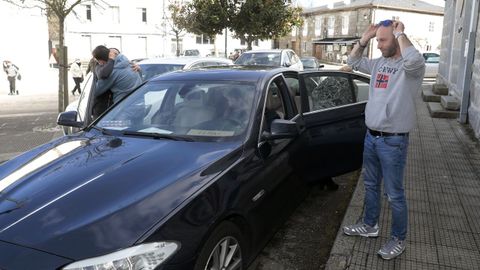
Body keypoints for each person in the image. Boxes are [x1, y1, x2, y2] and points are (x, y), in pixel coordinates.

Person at [342, 20, 425, 260]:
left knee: (394, 194)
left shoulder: (411, 69)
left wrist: (400, 34)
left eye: (382, 40)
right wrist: (364, 38)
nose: (378, 45)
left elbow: (414, 59)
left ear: (396, 38)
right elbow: (353, 62)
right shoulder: (379, 64)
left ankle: (398, 239)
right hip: (372, 138)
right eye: (377, 40)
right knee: (370, 185)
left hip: (393, 142)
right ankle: (370, 225)